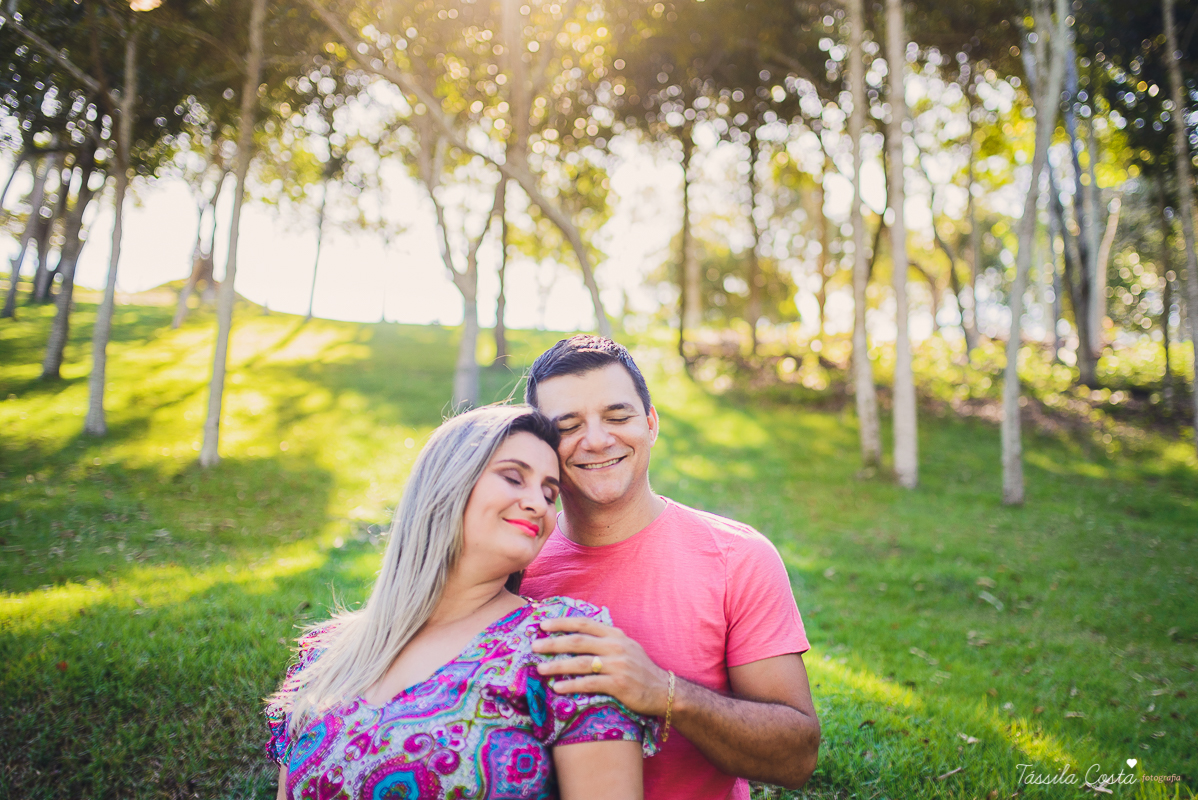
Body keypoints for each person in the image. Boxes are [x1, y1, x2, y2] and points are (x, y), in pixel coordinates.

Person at [264, 405, 658, 800]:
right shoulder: (325, 655)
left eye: (548, 492)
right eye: (513, 477)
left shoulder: (562, 643)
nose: (538, 503)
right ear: (448, 481)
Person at [520, 335, 820, 799]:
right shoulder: (513, 564)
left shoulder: (738, 557)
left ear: (651, 424)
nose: (598, 440)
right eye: (568, 425)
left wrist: (664, 693)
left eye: (618, 416)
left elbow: (795, 757)